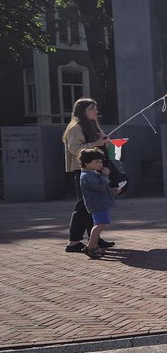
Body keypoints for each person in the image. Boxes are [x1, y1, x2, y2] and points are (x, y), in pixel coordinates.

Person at [62, 98, 114, 253]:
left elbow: (96, 145)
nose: (96, 112)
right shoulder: (76, 127)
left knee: (93, 204)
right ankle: (73, 242)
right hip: (82, 169)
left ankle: (95, 239)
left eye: (96, 108)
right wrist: (96, 143)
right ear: (82, 111)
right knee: (83, 205)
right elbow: (75, 149)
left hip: (94, 168)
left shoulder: (91, 125)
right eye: (92, 109)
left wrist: (105, 141)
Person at [78, 148, 115, 259]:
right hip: (97, 204)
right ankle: (90, 247)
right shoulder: (88, 176)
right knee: (99, 224)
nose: (100, 164)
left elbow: (101, 187)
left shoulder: (92, 173)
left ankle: (94, 246)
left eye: (100, 161)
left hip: (100, 203)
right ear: (86, 163)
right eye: (97, 162)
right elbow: (99, 187)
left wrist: (112, 190)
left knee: (101, 224)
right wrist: (105, 176)